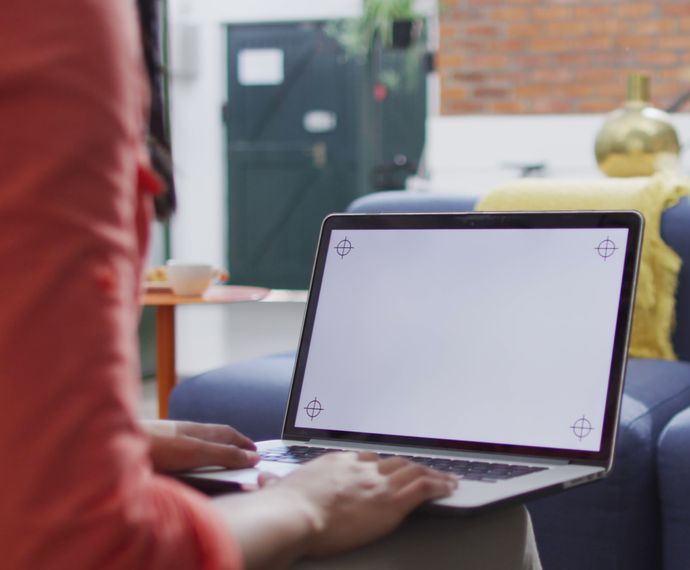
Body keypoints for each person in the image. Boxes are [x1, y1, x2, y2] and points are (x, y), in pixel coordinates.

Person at [0, 1, 540, 568]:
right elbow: (74, 544)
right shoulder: (59, 22)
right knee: (492, 527)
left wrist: (100, 444)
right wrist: (304, 506)